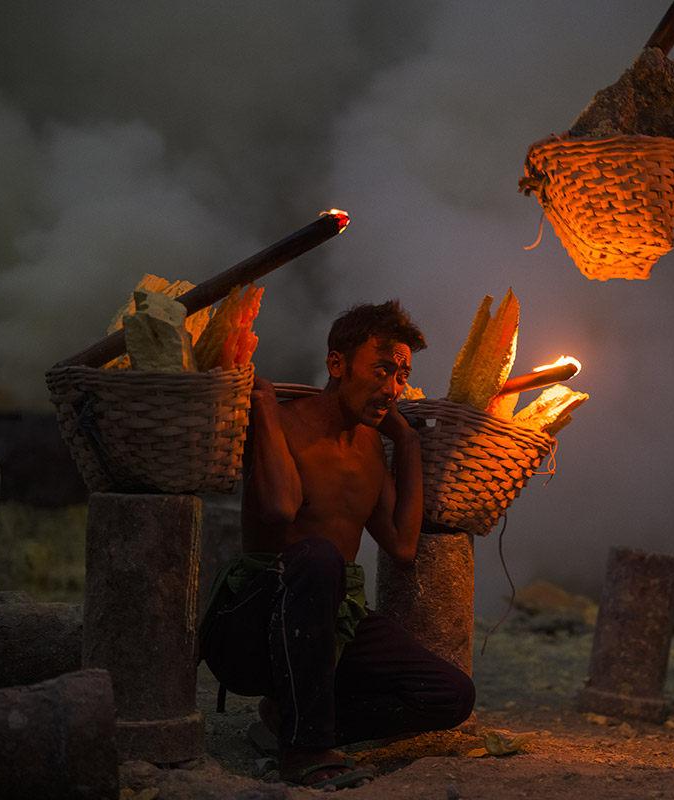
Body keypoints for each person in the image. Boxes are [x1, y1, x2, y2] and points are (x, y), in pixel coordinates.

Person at [199, 300, 476, 790]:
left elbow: (402, 545)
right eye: (382, 369)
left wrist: (407, 443)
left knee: (450, 695)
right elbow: (282, 509)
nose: (393, 388)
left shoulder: (371, 446)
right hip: (252, 628)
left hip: (329, 627)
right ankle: (306, 751)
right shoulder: (281, 418)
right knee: (319, 556)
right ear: (337, 364)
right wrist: (263, 408)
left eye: (402, 375)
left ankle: (289, 723)